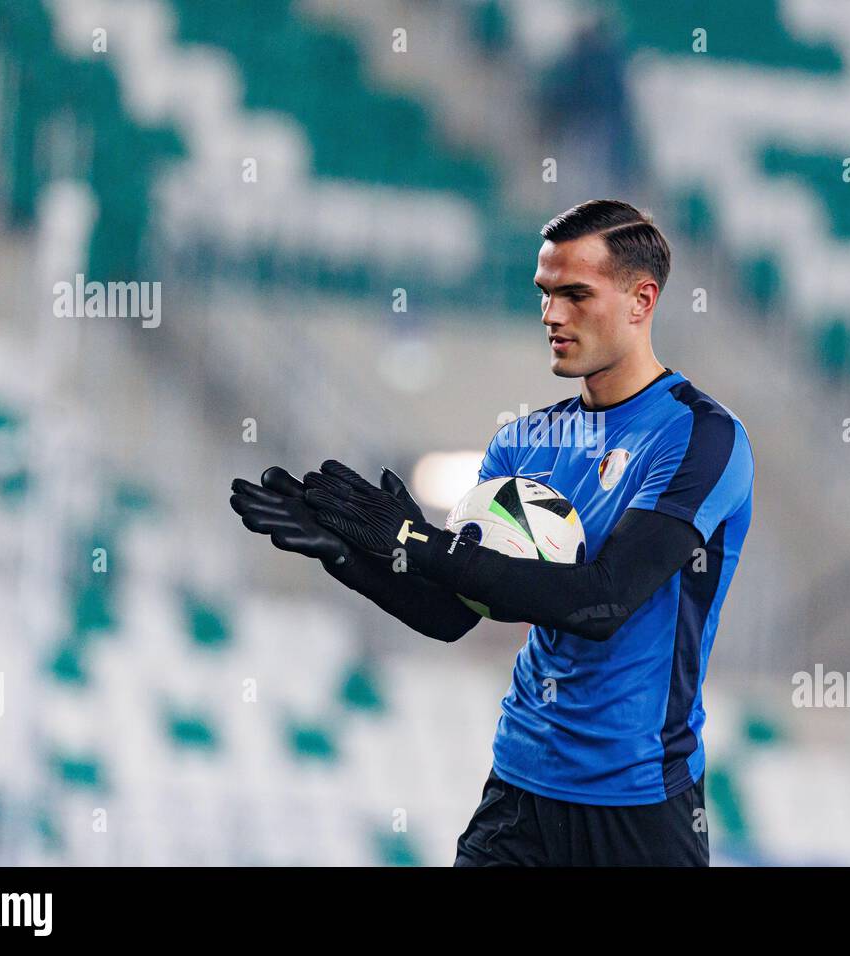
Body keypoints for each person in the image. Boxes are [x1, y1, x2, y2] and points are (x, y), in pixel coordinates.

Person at [230, 200, 754, 866]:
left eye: (575, 294)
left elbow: (603, 600)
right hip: (520, 790)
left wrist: (415, 542)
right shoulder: (525, 439)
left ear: (640, 300)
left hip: (640, 806)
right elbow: (452, 614)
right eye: (545, 294)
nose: (552, 315)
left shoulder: (702, 437)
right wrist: (350, 555)